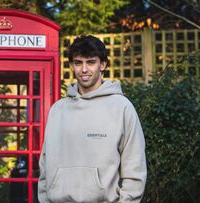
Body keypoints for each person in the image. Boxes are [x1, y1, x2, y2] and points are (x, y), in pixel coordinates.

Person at [38, 35, 147, 203]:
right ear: (71, 66)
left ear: (102, 65)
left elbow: (135, 167)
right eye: (78, 62)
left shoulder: (122, 107)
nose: (84, 69)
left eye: (90, 62)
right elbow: (45, 166)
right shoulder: (57, 110)